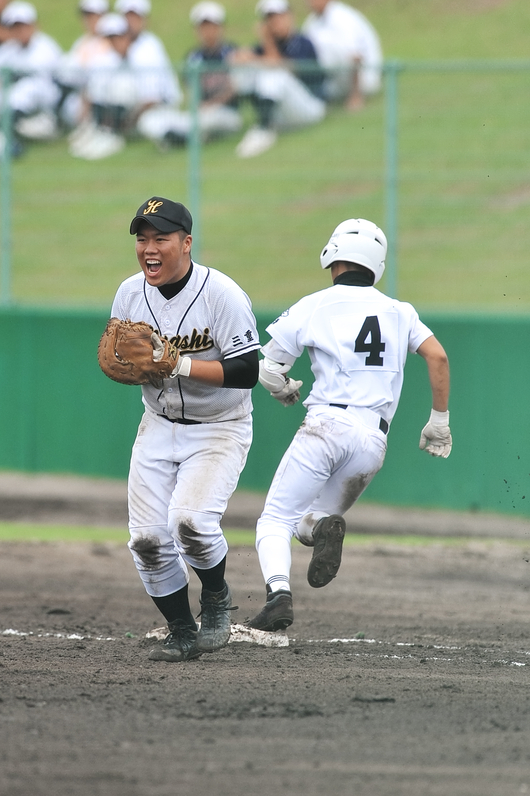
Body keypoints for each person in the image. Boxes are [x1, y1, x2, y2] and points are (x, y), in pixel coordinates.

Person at [246, 218, 452, 631]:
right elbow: (438, 357)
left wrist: (284, 389)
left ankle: (278, 597)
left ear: (333, 255)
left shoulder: (314, 304)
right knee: (310, 523)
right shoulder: (401, 311)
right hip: (372, 442)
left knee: (274, 519)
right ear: (376, 264)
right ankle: (324, 527)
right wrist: (439, 421)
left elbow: (267, 369)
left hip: (327, 425)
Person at [104, 196, 260, 662]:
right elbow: (117, 353)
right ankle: (180, 630)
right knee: (147, 539)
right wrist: (128, 366)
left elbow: (247, 371)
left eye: (161, 239)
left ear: (186, 243)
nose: (149, 248)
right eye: (142, 238)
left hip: (219, 426)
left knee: (189, 521)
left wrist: (181, 363)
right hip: (157, 425)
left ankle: (215, 595)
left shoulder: (222, 294)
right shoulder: (130, 293)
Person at [69, 10, 181, 159]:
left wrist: (125, 124)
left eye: (119, 37)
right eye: (112, 38)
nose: (116, 42)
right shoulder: (108, 60)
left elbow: (151, 99)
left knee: (150, 123)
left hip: (151, 111)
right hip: (119, 116)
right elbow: (93, 93)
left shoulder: (142, 56)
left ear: (128, 37)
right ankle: (101, 133)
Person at [138, 1, 242, 150]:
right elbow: (191, 92)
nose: (208, 31)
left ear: (220, 27)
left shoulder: (232, 53)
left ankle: (182, 139)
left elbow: (235, 88)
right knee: (149, 120)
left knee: (208, 119)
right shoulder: (193, 57)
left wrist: (211, 104)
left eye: (212, 25)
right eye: (203, 26)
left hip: (226, 113)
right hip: (198, 114)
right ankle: (181, 137)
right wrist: (198, 106)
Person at [229, 0, 325, 158]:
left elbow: (282, 66)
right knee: (245, 69)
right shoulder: (266, 46)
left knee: (274, 74)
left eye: (279, 16)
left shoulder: (302, 42)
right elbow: (238, 59)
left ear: (290, 17)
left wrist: (265, 42)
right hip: (284, 115)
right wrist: (243, 56)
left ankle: (264, 130)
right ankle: (263, 123)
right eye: (270, 18)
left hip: (311, 108)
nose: (275, 22)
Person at [0, 1, 63, 154]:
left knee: (26, 88)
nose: (21, 30)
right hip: (14, 103)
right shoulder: (8, 50)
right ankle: (9, 138)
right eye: (16, 26)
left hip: (46, 104)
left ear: (33, 25)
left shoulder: (46, 46)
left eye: (24, 25)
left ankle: (11, 135)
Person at [302, 0, 382, 112]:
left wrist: (356, 96)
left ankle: (355, 94)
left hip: (365, 78)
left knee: (326, 43)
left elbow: (356, 56)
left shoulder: (342, 17)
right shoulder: (312, 21)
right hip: (335, 80)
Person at [54, 0, 112, 131]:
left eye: (94, 15)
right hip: (80, 93)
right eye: (87, 16)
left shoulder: (113, 39)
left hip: (103, 96)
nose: (90, 20)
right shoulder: (81, 43)